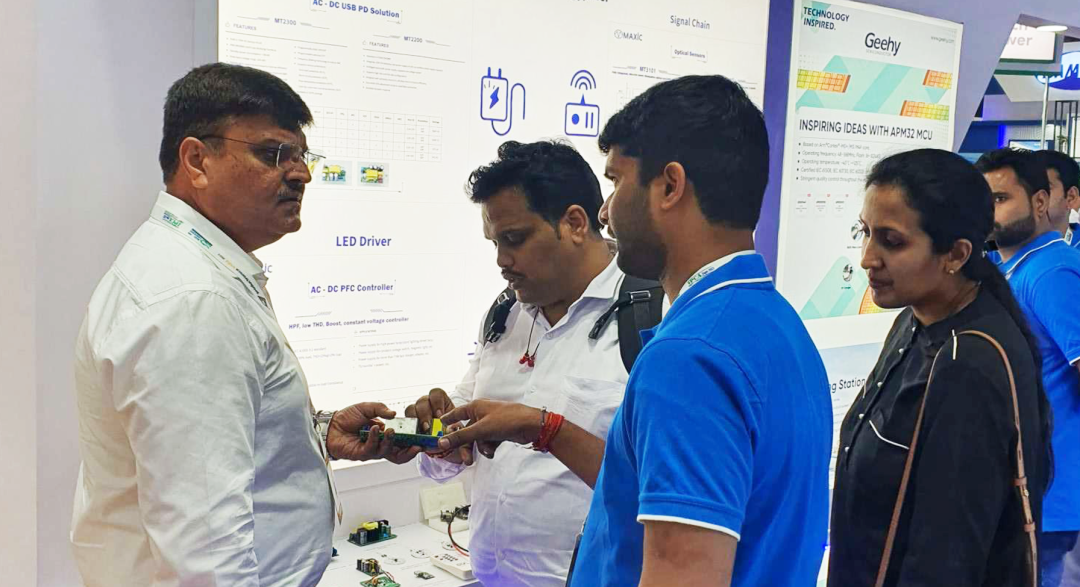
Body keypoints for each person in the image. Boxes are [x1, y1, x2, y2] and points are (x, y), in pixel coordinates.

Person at [436, 75, 833, 587]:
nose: (605, 212)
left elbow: (682, 574)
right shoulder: (778, 325)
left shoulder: (689, 356)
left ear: (669, 186)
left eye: (616, 182)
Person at [71, 63, 418, 587]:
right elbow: (207, 557)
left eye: (303, 156)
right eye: (273, 154)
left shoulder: (195, 268)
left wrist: (313, 432)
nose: (300, 174)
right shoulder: (193, 300)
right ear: (197, 160)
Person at [399, 140, 659, 587]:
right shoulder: (505, 313)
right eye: (495, 242)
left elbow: (662, 489)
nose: (502, 261)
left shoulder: (652, 317)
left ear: (574, 223)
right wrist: (439, 435)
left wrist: (547, 430)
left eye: (515, 239)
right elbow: (459, 437)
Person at [829, 149, 1051, 587]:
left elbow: (947, 557)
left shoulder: (968, 363)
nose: (868, 257)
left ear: (956, 254)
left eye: (892, 241)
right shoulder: (914, 321)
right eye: (865, 232)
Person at [977, 148, 1080, 587]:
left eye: (1001, 199)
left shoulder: (1050, 272)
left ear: (1040, 202)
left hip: (1050, 491)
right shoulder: (1013, 268)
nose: (989, 212)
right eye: (983, 201)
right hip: (1026, 486)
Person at [1037, 149, 1080, 248]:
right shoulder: (1005, 249)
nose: (1032, 197)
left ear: (1071, 197)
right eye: (1026, 188)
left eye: (1044, 188)